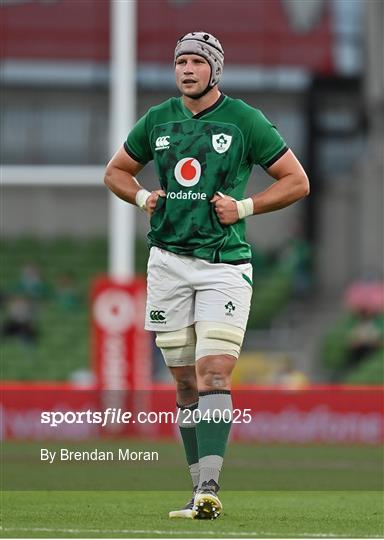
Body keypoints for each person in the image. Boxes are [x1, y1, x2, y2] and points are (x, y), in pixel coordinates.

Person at [104, 31, 309, 520]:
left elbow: (296, 181)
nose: (187, 70)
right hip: (167, 264)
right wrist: (141, 198)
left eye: (197, 62)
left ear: (215, 70)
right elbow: (115, 172)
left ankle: (211, 486)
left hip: (224, 265)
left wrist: (244, 206)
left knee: (213, 371)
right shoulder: (158, 119)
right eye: (181, 62)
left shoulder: (244, 121)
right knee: (183, 384)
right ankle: (198, 492)